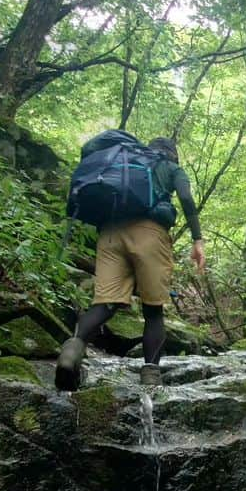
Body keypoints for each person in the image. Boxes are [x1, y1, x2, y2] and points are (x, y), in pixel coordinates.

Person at [55, 136, 206, 390]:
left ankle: (71, 353)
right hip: (149, 233)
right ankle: (150, 377)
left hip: (109, 235)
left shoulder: (124, 161)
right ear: (173, 154)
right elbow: (186, 198)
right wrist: (197, 239)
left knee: (105, 303)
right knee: (153, 309)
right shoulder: (171, 167)